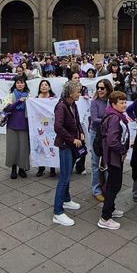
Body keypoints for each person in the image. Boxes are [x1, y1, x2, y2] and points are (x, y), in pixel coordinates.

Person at [52, 80, 85, 227]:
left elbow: (77, 122)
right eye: (78, 91)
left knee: (68, 174)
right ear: (70, 93)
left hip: (72, 144)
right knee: (64, 178)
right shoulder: (61, 106)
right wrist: (73, 139)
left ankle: (66, 200)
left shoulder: (73, 104)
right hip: (66, 145)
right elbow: (58, 127)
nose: (80, 94)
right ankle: (57, 212)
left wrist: (81, 133)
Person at [98, 91, 130, 230]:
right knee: (114, 185)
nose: (124, 105)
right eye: (121, 102)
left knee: (113, 183)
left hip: (113, 156)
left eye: (125, 102)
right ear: (113, 104)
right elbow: (112, 140)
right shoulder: (115, 118)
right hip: (114, 157)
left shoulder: (115, 115)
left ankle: (110, 208)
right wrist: (122, 150)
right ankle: (105, 217)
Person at [3, 75, 31, 179]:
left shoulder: (29, 95)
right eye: (18, 82)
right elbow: (7, 108)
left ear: (25, 84)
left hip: (25, 125)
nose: (20, 84)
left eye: (22, 82)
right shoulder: (11, 95)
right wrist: (19, 101)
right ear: (15, 84)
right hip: (12, 125)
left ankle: (22, 168)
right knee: (12, 148)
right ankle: (13, 168)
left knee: (24, 148)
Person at [88, 79, 110, 201]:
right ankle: (96, 190)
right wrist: (108, 120)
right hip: (96, 133)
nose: (99, 90)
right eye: (98, 88)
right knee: (95, 163)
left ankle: (106, 186)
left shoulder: (111, 101)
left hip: (108, 134)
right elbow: (94, 119)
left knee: (107, 162)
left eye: (102, 88)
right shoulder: (94, 102)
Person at [35, 80, 57, 178]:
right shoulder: (35, 99)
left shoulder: (53, 99)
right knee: (40, 145)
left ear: (49, 87)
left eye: (46, 85)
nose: (44, 87)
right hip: (39, 125)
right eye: (42, 85)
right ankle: (41, 167)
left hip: (50, 126)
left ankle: (52, 168)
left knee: (51, 145)